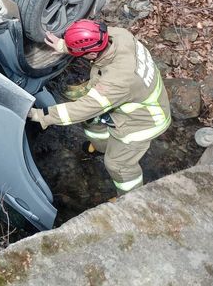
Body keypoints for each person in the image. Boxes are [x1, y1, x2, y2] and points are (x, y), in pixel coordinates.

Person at [28, 20, 172, 196]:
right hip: (135, 99)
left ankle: (130, 198)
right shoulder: (119, 35)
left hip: (144, 121)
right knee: (92, 122)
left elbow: (84, 108)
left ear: (91, 54)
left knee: (117, 164)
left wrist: (43, 116)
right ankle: (101, 146)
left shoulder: (119, 80)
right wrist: (64, 45)